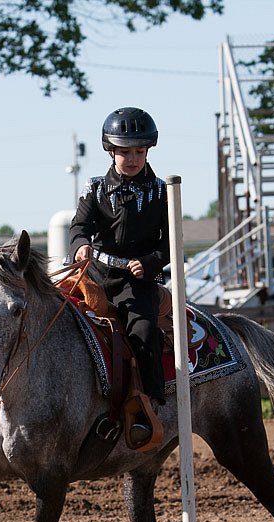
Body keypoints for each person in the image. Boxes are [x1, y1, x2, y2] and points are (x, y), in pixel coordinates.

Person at [69, 107, 169, 445]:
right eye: (125, 150)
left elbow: (169, 246)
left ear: (148, 151)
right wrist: (81, 245)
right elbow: (79, 227)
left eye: (139, 151)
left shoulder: (161, 191)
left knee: (142, 331)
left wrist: (150, 263)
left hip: (135, 281)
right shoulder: (94, 188)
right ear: (110, 150)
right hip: (95, 273)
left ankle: (151, 403)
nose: (132, 158)